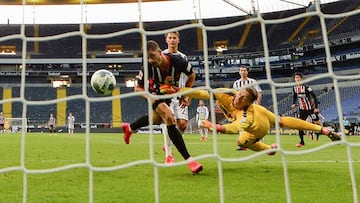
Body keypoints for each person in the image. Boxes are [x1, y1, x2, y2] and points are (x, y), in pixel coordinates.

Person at [121, 40, 202, 173]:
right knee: (169, 117)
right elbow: (138, 88)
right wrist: (151, 97)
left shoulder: (178, 61)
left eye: (152, 56)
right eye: (147, 57)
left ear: (160, 52)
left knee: (156, 119)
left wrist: (186, 94)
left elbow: (191, 75)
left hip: (170, 93)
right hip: (155, 94)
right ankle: (190, 161)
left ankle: (130, 128)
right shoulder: (147, 67)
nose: (150, 60)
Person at [198, 87, 341, 154]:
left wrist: (217, 127)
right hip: (259, 109)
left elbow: (235, 126)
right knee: (281, 120)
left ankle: (269, 149)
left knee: (242, 141)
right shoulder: (230, 95)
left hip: (255, 120)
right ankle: (322, 129)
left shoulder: (237, 103)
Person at [160, 31, 189, 164]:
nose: (172, 40)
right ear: (166, 40)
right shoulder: (162, 56)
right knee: (169, 122)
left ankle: (168, 143)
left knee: (182, 125)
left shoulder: (184, 57)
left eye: (174, 38)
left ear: (178, 40)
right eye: (170, 38)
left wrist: (187, 94)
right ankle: (169, 155)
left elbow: (189, 76)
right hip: (166, 94)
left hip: (180, 94)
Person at [232, 65, 263, 150]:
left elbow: (259, 93)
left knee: (256, 124)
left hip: (252, 106)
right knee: (241, 124)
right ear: (239, 72)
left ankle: (260, 143)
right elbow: (234, 95)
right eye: (241, 70)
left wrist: (257, 105)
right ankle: (243, 144)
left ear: (247, 72)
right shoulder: (236, 83)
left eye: (244, 70)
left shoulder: (252, 81)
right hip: (241, 107)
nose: (243, 72)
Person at [291, 72, 320, 148]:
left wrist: (316, 107)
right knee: (299, 125)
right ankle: (302, 142)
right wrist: (293, 103)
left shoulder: (306, 87)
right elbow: (294, 96)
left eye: (298, 77)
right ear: (294, 79)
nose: (297, 79)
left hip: (310, 109)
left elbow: (314, 97)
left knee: (318, 123)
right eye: (296, 78)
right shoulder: (294, 88)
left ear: (301, 79)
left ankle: (330, 135)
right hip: (302, 109)